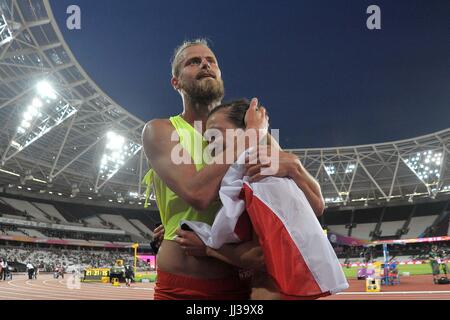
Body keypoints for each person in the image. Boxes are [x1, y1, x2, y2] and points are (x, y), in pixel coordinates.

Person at [143, 39, 325, 300]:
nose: (205, 64)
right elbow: (198, 194)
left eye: (211, 61)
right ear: (176, 82)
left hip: (244, 285)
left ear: (219, 74)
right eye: (193, 62)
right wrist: (250, 137)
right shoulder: (161, 130)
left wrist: (295, 167)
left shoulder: (252, 129)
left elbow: (314, 206)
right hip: (181, 288)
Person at [174, 100, 348, 299]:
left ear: (245, 131)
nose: (209, 145)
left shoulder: (259, 168)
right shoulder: (264, 165)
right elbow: (316, 206)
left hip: (275, 291)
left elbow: (261, 254)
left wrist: (207, 247)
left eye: (215, 134)